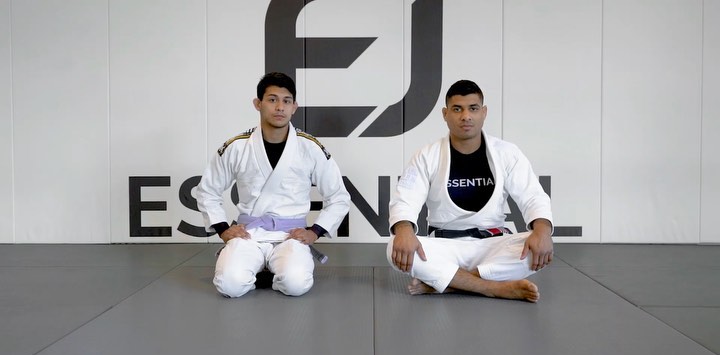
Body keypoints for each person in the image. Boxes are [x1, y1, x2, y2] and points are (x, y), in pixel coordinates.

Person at [386, 79, 554, 303]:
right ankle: (492, 287)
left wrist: (542, 230)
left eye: (473, 108)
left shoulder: (506, 152)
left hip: (492, 244)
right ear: (445, 114)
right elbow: (405, 200)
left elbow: (532, 196)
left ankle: (449, 284)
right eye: (457, 109)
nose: (466, 116)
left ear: (484, 112)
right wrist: (404, 230)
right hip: (445, 246)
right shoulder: (427, 155)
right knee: (394, 247)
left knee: (537, 247)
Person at [196, 72, 351, 297]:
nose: (280, 107)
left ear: (294, 107)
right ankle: (264, 272)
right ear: (257, 104)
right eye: (272, 99)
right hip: (249, 235)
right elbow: (207, 190)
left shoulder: (310, 148)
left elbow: (339, 197)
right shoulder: (237, 146)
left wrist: (314, 232)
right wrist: (223, 229)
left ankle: (269, 273)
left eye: (286, 101)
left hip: (291, 236)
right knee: (229, 285)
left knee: (296, 284)